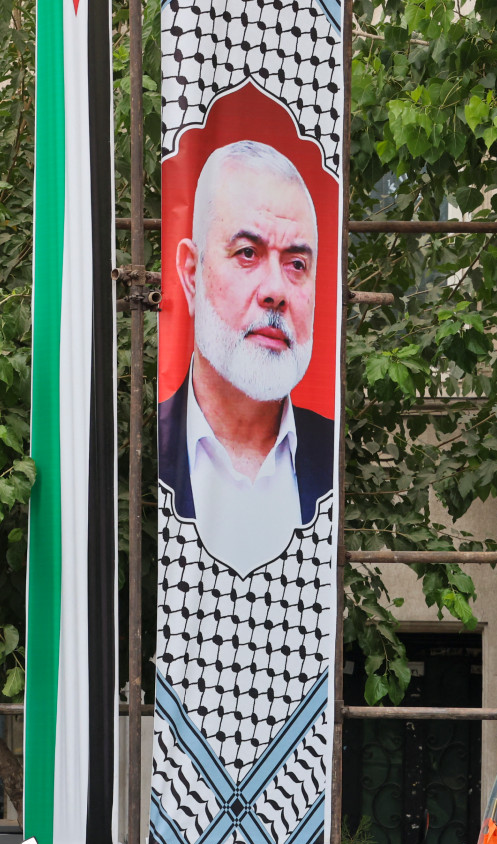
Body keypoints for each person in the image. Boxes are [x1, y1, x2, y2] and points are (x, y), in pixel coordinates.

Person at [157, 139, 334, 574]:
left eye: (296, 264)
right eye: (248, 254)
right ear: (191, 274)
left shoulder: (333, 454)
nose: (275, 291)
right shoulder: (142, 445)